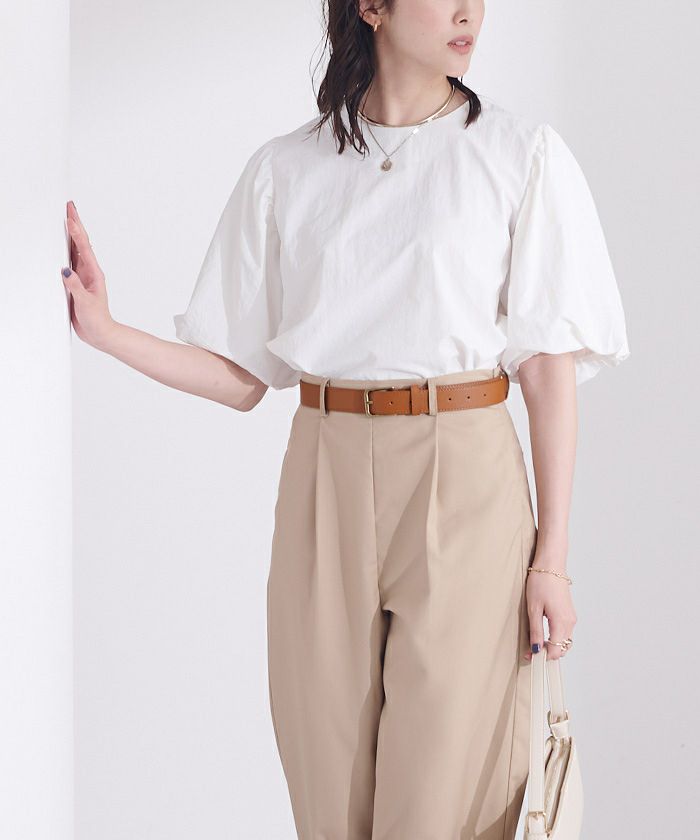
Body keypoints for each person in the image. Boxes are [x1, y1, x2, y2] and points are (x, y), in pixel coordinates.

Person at [60, 1, 629, 837]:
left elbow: (547, 371)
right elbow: (243, 376)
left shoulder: (518, 155)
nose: (469, 11)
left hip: (465, 476)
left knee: (437, 801)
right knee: (328, 795)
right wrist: (107, 333)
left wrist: (553, 561)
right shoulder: (288, 169)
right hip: (323, 471)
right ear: (372, 7)